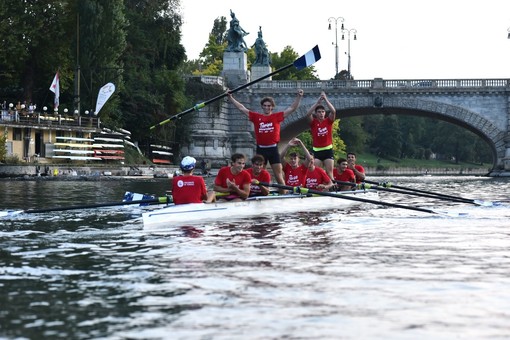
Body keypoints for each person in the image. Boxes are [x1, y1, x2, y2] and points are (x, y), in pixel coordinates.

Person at [227, 89, 304, 191]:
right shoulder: (256, 117)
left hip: (273, 149)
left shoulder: (277, 116)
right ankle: (255, 191)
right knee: (258, 173)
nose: (267, 107)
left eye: (269, 106)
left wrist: (299, 97)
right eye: (265, 106)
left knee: (278, 175)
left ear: (272, 107)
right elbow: (242, 108)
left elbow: (292, 108)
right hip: (261, 149)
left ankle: (284, 193)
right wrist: (231, 98)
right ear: (262, 107)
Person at [306, 91, 336, 180]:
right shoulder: (313, 123)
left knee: (329, 173)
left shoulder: (328, 121)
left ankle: (334, 187)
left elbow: (333, 111)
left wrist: (325, 99)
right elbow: (308, 114)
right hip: (317, 151)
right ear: (316, 114)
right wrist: (317, 103)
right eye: (319, 112)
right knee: (317, 172)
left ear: (324, 113)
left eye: (323, 112)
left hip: (328, 150)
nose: (321, 113)